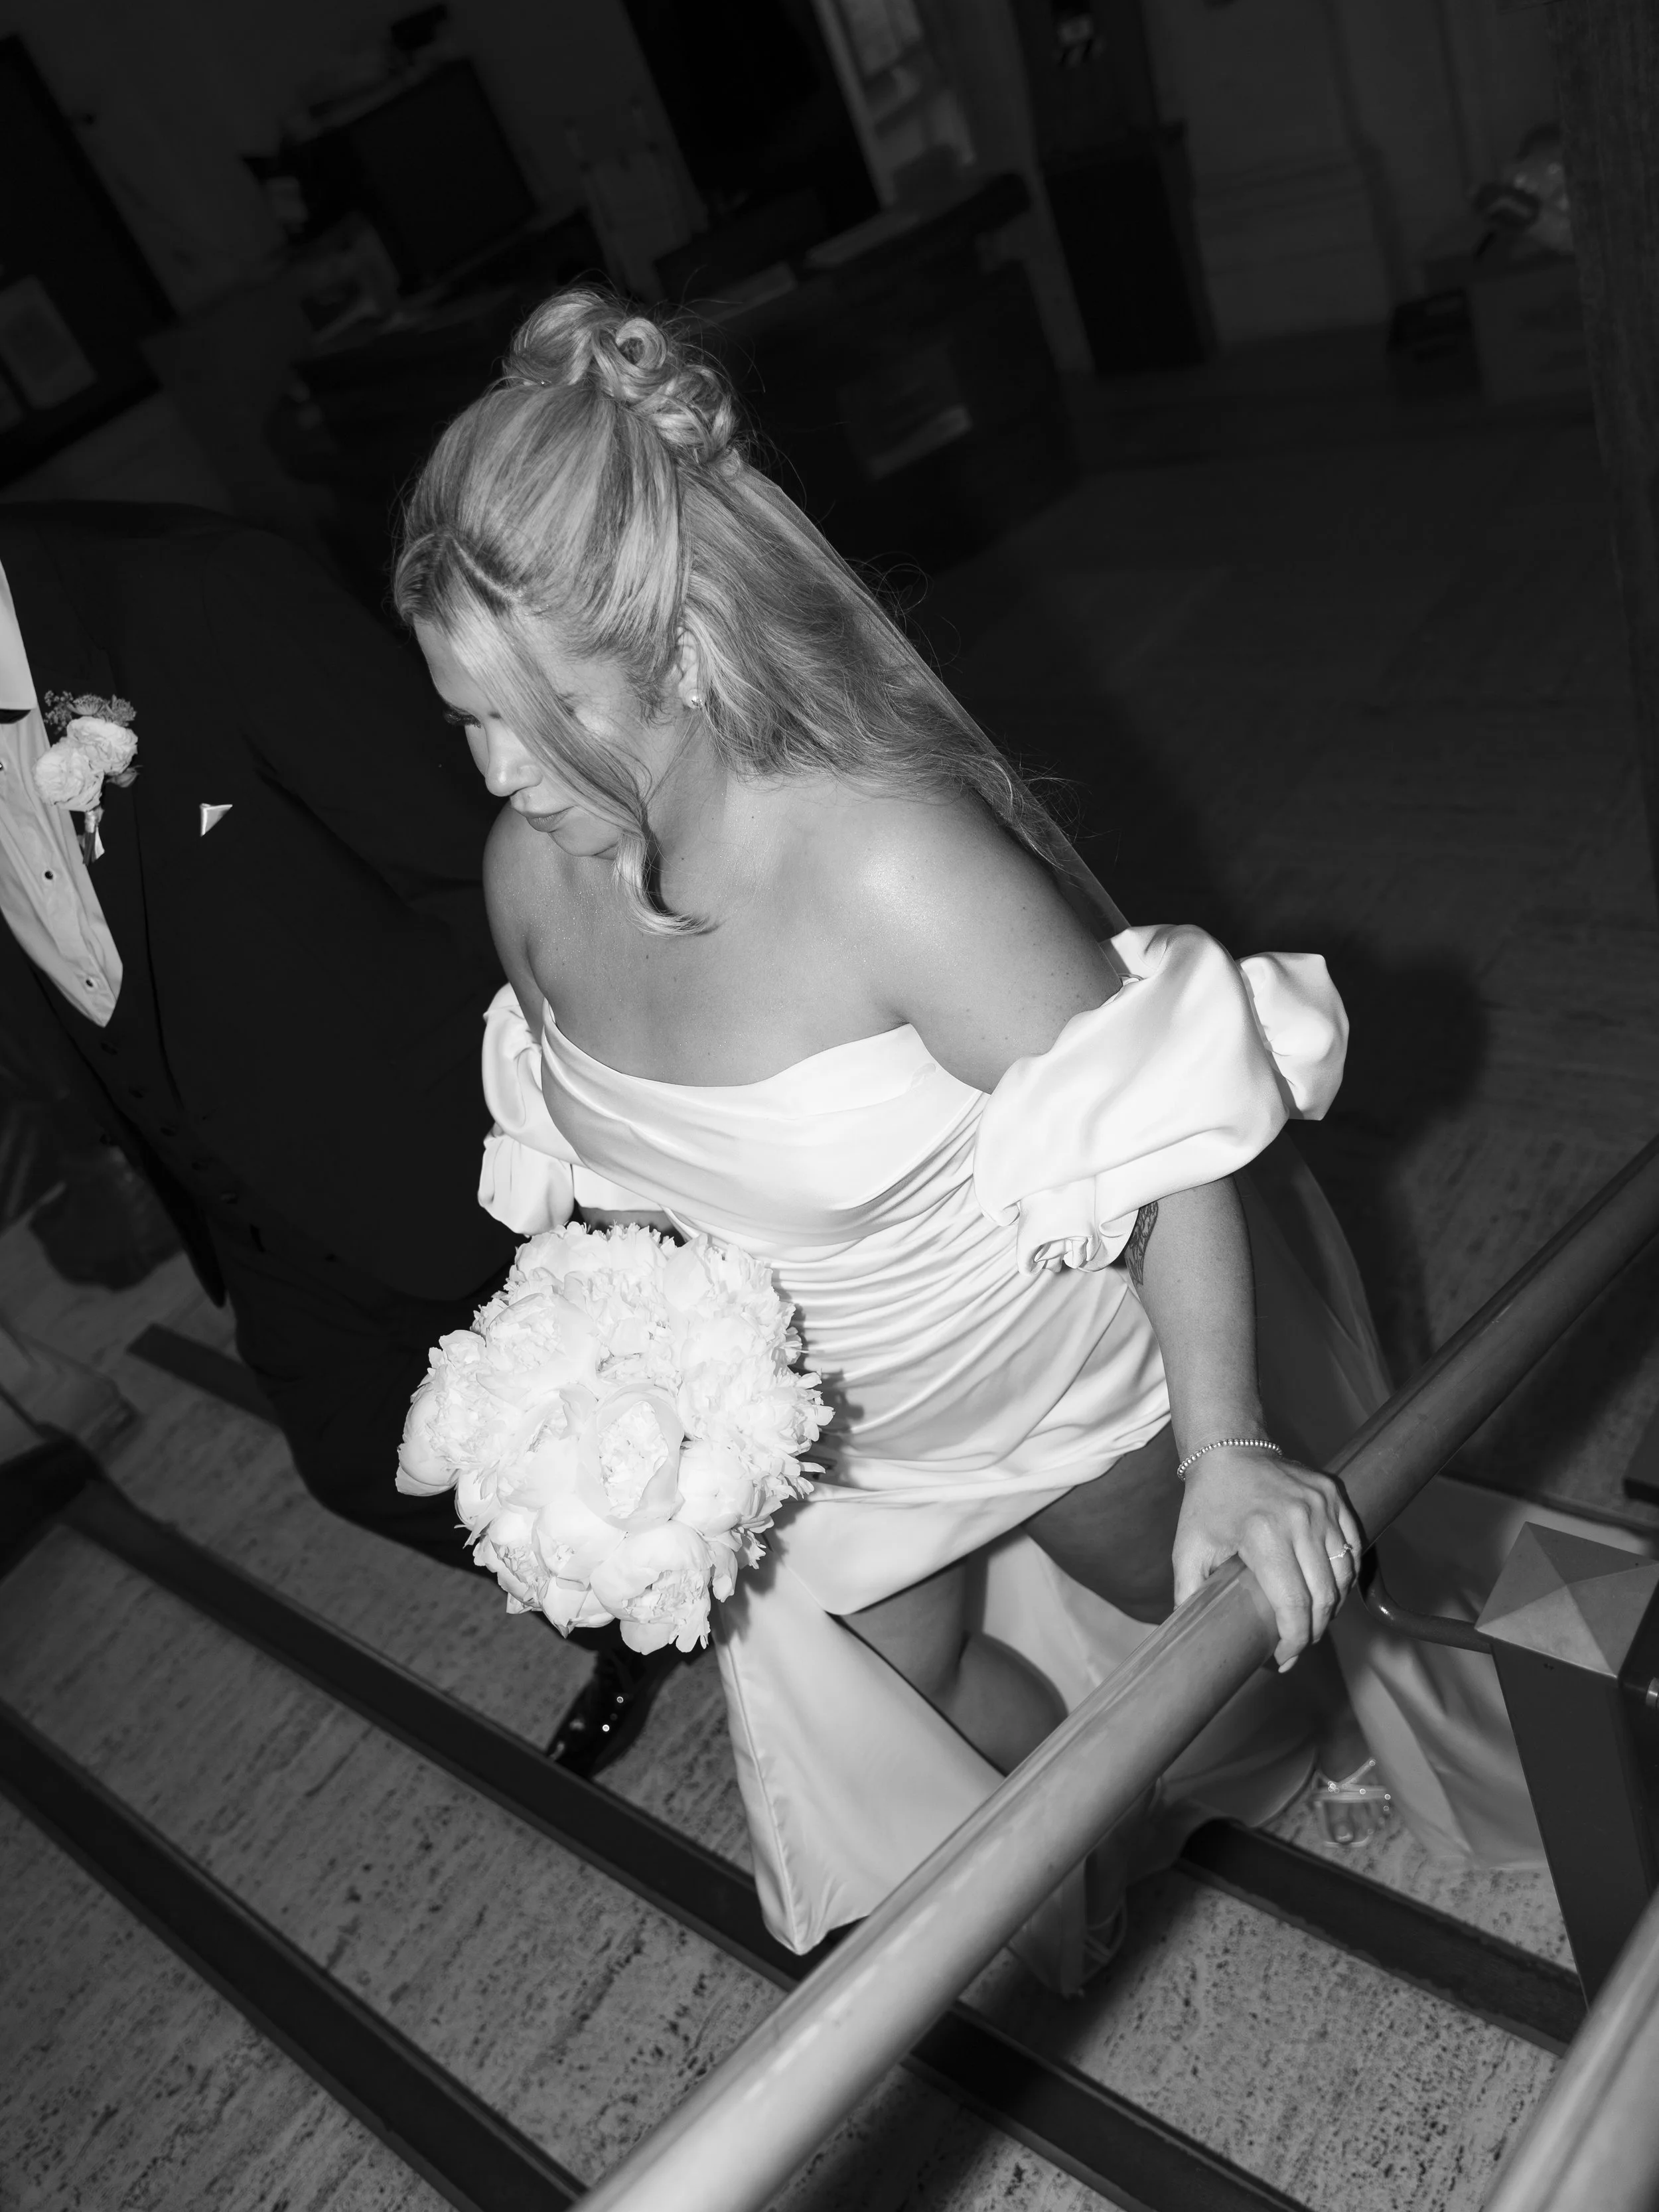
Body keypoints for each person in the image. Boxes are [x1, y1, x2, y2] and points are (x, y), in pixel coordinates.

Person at [394, 290, 1548, 1978]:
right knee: (901, 1683)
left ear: (687, 656)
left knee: (1204, 1617)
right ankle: (1092, 1841)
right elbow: (603, 1178)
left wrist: (1225, 1444)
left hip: (1045, 1364)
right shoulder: (525, 878)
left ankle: (1312, 1741)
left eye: (536, 722)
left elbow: (1159, 1150)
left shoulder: (888, 868)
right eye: (458, 718)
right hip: (825, 1432)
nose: (497, 773)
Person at [0, 500, 673, 1773]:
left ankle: (749, 1609)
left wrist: (554, 1138)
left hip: (445, 1141)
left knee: (637, 1416)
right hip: (239, 1198)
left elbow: (474, 857)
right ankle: (644, 1607)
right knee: (363, 1461)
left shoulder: (197, 592)